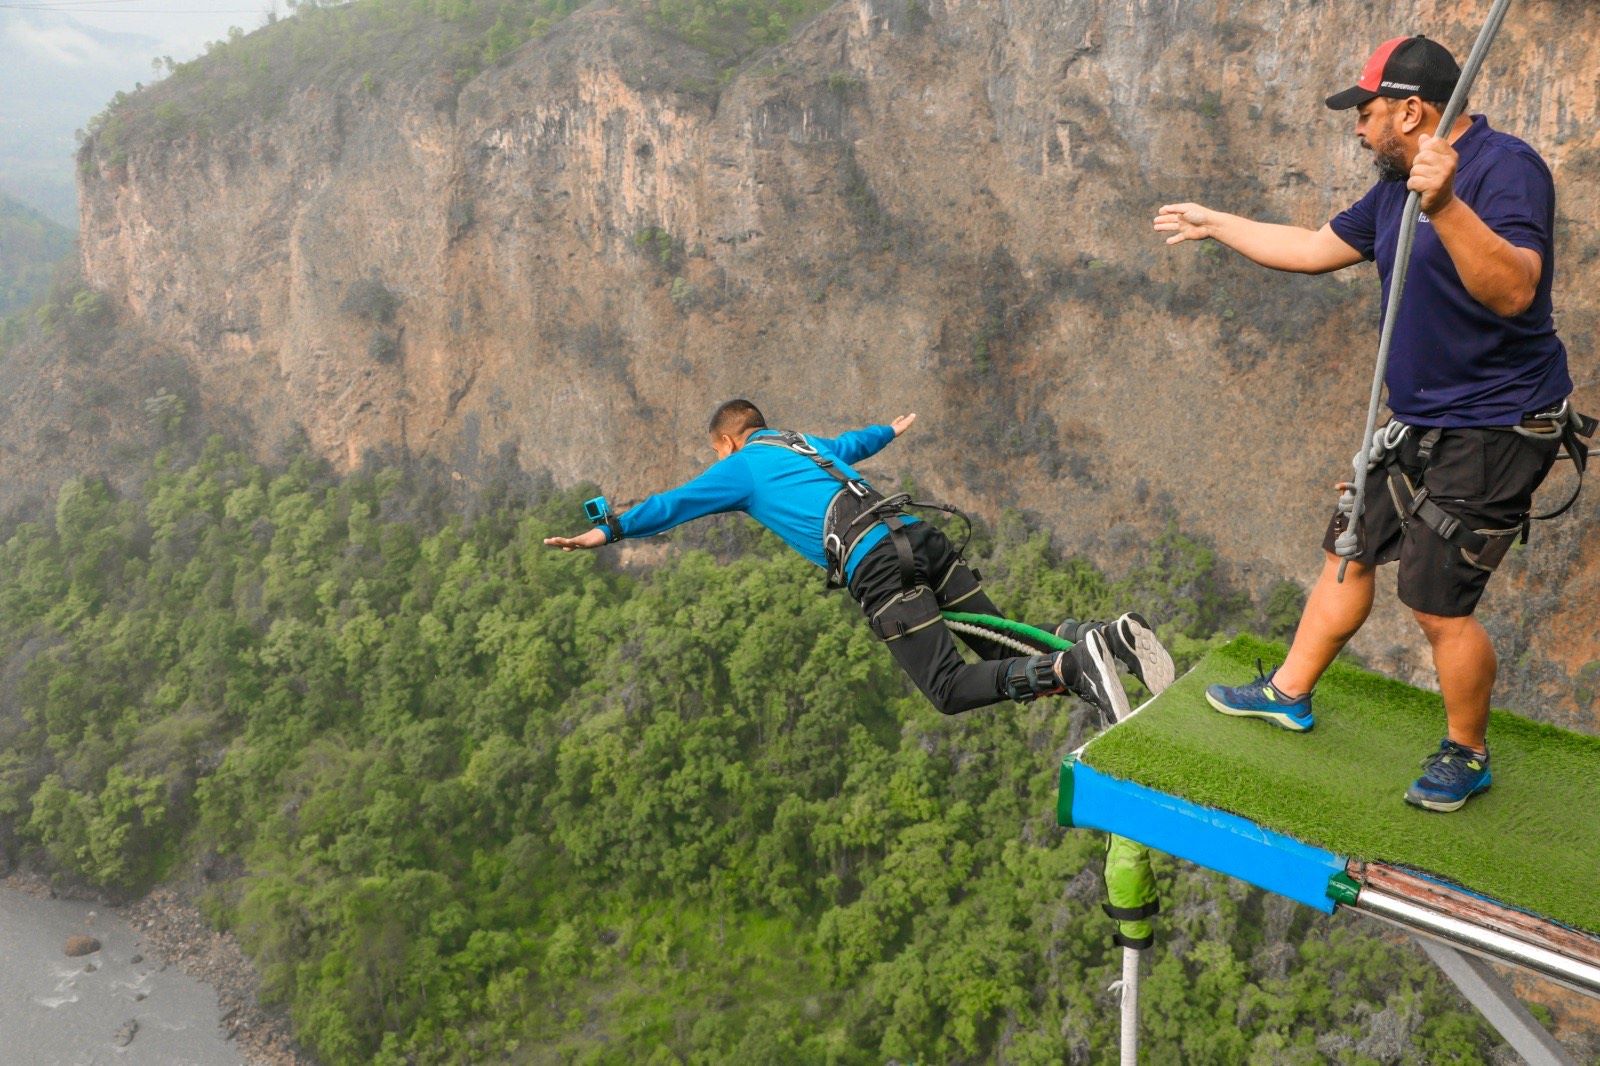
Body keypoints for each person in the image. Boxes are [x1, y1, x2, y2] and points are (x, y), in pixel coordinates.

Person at [1154, 35, 1572, 812]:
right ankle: (1289, 692)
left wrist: (1445, 204)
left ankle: (1467, 751)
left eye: (1367, 111)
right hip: (1417, 415)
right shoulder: (1391, 187)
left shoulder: (1502, 168)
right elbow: (1315, 248)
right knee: (1349, 548)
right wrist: (1217, 223)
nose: (1358, 127)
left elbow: (1515, 289)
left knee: (1436, 600)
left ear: (1411, 111)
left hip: (1496, 425)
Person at [544, 399, 1174, 721]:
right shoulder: (804, 443)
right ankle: (1106, 641)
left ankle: (1076, 667)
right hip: (917, 532)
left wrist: (607, 532)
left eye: (718, 452)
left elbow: (673, 504)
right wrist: (889, 432)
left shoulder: (740, 467)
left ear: (730, 441)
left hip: (878, 565)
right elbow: (854, 443)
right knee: (1001, 649)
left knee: (950, 690)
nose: (720, 462)